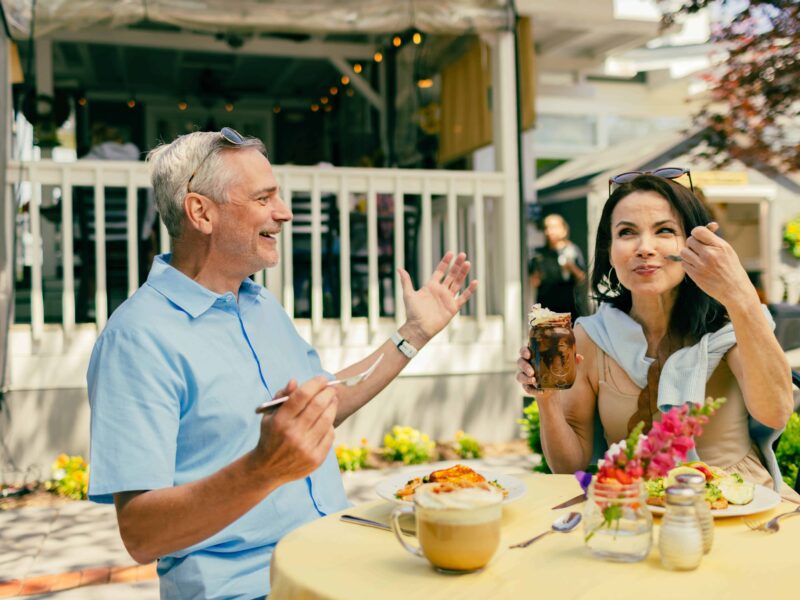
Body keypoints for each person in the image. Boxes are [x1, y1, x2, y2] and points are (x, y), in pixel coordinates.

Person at [86, 128, 479, 600]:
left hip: (336, 566)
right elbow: (141, 534)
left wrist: (413, 334)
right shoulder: (137, 337)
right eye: (263, 198)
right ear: (200, 212)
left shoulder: (258, 303)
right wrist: (263, 469)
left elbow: (319, 402)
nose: (285, 212)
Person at [516, 172, 799, 502]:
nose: (645, 248)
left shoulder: (730, 325)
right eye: (627, 233)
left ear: (693, 244)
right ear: (609, 251)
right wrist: (546, 398)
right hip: (636, 511)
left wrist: (741, 296)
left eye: (665, 231)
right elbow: (568, 465)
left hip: (743, 506)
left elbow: (776, 413)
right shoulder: (592, 336)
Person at [528, 213, 586, 321]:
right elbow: (533, 282)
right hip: (546, 311)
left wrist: (571, 267)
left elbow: (582, 278)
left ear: (564, 229)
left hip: (568, 309)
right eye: (546, 227)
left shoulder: (572, 250)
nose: (549, 231)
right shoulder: (539, 254)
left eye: (553, 227)